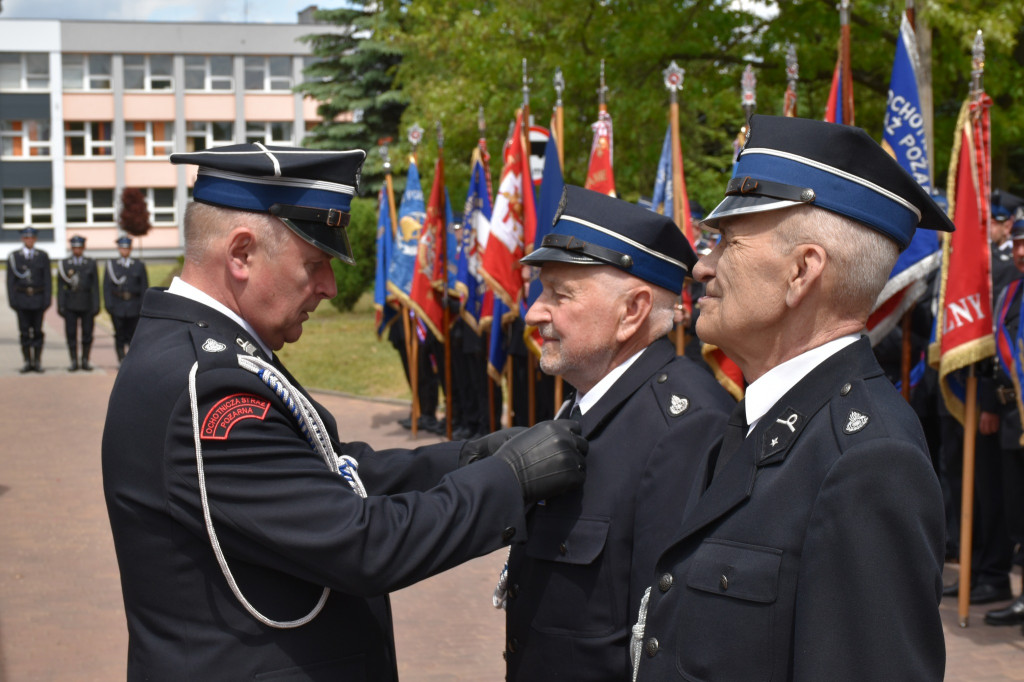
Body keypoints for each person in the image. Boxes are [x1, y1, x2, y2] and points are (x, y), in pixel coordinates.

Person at [101, 143, 588, 681]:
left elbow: (332, 471)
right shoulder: (211, 386)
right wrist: (508, 482)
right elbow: (361, 544)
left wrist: (471, 457)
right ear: (241, 254)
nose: (330, 288)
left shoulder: (209, 353)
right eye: (314, 264)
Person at [631, 115, 951, 681]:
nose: (701, 265)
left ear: (802, 271)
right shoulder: (763, 418)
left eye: (728, 242)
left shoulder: (867, 461)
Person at [501, 186, 734, 681]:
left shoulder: (686, 427)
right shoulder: (583, 404)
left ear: (632, 311)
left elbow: (666, 643)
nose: (534, 313)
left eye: (560, 295)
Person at [984, 215, 1024, 628]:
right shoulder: (1009, 292)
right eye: (1017, 244)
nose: (1022, 252)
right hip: (1016, 418)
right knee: (1018, 516)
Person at [6, 226, 51, 373]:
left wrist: (47, 300)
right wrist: (13, 301)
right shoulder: (15, 257)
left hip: (38, 299)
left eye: (31, 238)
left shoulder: (42, 256)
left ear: (35, 239)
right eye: (26, 238)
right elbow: (10, 281)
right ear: (22, 239)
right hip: (22, 299)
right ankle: (27, 361)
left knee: (38, 331)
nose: (29, 240)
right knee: (24, 332)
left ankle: (37, 361)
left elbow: (47, 280)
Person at [57, 234, 101, 371]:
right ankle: (74, 361)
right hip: (70, 304)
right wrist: (61, 305)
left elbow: (95, 286)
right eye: (75, 247)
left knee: (87, 333)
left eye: (80, 247)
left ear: (83, 248)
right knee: (71, 333)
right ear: (71, 248)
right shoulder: (64, 264)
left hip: (86, 304)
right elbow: (60, 287)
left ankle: (85, 360)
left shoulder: (90, 263)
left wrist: (96, 304)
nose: (77, 250)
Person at [103, 236, 149, 363]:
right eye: (122, 248)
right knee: (119, 334)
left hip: (134, 306)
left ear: (131, 249)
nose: (124, 251)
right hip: (117, 305)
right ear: (118, 249)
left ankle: (132, 360)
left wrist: (142, 306)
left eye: (127, 248)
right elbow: (106, 286)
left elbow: (144, 286)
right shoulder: (112, 265)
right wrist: (109, 305)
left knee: (133, 335)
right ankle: (121, 359)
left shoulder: (138, 265)